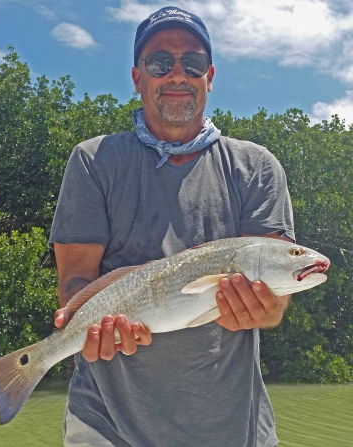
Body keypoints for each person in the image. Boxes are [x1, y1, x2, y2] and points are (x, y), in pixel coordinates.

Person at [49, 6, 295, 447]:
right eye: (160, 62)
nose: (177, 74)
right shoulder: (93, 161)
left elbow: (274, 284)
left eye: (193, 63)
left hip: (234, 427)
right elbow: (76, 279)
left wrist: (267, 308)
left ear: (210, 75)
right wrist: (87, 327)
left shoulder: (256, 167)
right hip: (104, 424)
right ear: (137, 76)